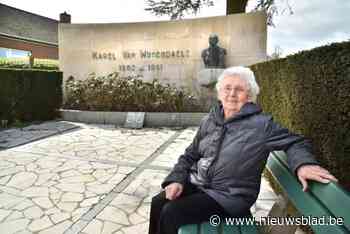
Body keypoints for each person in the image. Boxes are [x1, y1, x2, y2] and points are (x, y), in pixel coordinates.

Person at [148, 66, 338, 234]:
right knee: (159, 202)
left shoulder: (262, 125)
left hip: (229, 198)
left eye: (239, 89)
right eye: (227, 88)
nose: (232, 94)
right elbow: (190, 154)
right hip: (199, 185)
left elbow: (296, 141)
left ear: (249, 96)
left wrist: (303, 164)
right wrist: (177, 179)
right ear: (219, 93)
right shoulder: (210, 120)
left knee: (172, 212)